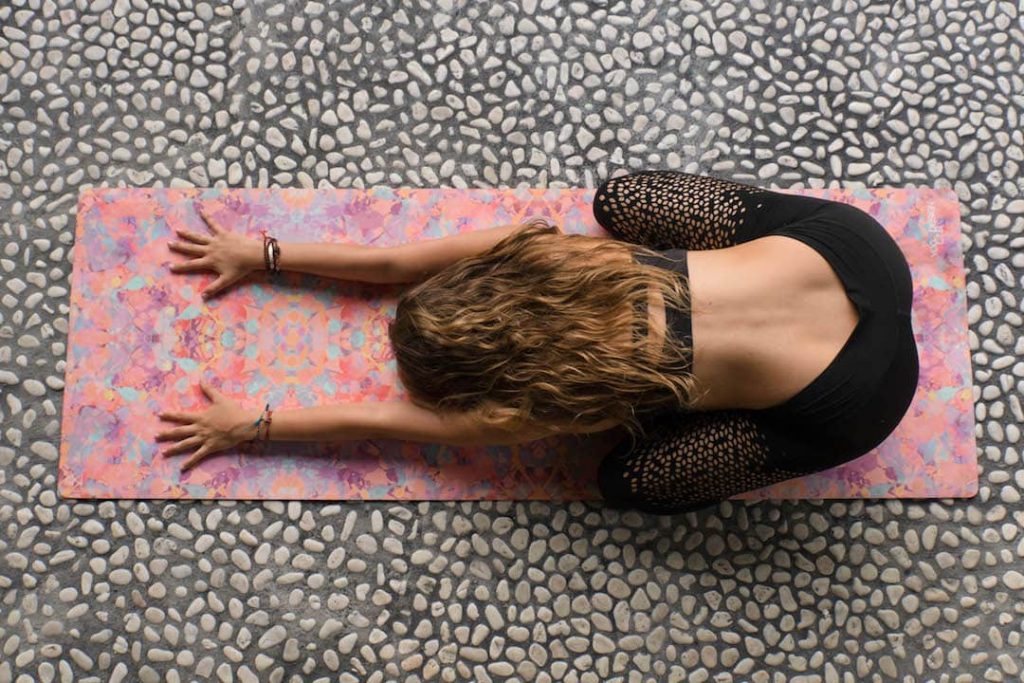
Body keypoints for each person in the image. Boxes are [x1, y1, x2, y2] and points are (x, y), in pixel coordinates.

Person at [156, 171, 919, 515]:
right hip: (857, 249)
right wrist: (263, 253)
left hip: (861, 399)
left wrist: (251, 425)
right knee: (619, 201)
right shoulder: (552, 255)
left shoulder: (540, 401)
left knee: (626, 483)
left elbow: (379, 423)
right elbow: (389, 263)